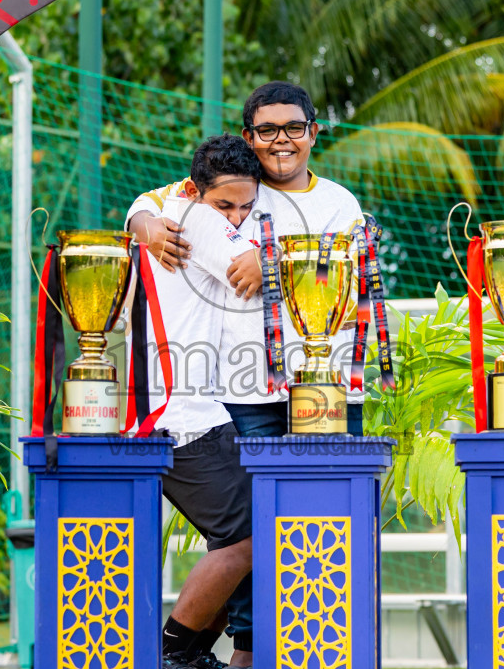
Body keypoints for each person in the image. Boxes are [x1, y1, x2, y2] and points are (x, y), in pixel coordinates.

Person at [127, 81, 367, 438]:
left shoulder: (340, 202)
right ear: (249, 137)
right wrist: (146, 226)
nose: (281, 139)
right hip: (244, 392)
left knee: (329, 489)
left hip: (329, 386)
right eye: (267, 130)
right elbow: (151, 202)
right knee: (255, 494)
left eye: (294, 128)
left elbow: (351, 274)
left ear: (313, 133)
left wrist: (270, 259)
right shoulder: (235, 184)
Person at [136, 135, 264, 669]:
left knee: (240, 535)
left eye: (245, 206)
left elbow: (141, 205)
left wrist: (140, 215)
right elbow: (249, 272)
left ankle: (196, 653)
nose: (235, 217)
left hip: (179, 406)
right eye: (225, 205)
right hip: (184, 412)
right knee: (249, 539)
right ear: (195, 191)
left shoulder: (162, 205)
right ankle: (172, 652)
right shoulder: (200, 224)